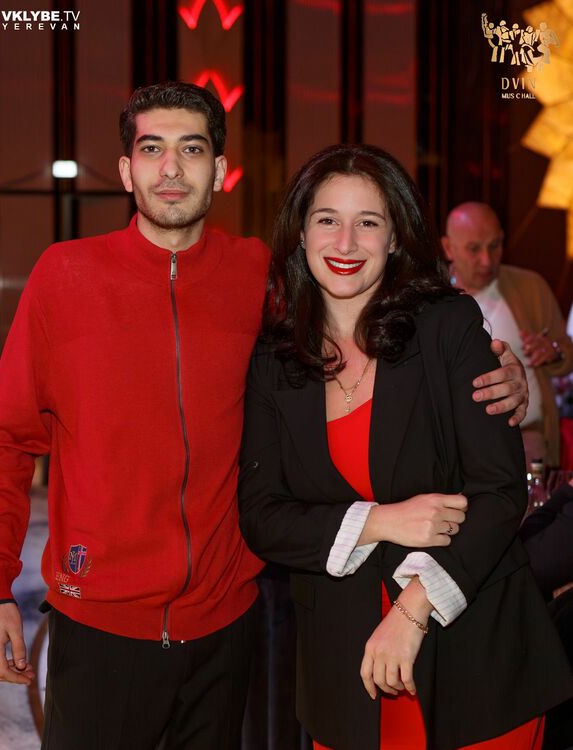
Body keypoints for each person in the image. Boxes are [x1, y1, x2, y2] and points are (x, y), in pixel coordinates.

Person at [0, 84, 528, 749]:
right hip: (99, 625)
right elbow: (4, 443)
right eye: (152, 148)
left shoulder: (260, 279)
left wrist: (501, 374)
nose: (171, 169)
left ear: (219, 170)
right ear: (125, 169)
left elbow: (364, 331)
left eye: (191, 149)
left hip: (226, 629)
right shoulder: (64, 276)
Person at [238, 144, 573, 750]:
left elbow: (499, 491)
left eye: (368, 222)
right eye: (327, 219)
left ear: (394, 238)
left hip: (474, 655)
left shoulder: (448, 327)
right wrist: (380, 521)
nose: (346, 242)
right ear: (301, 232)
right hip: (343, 669)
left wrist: (414, 607)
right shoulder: (273, 360)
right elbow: (263, 516)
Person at [442, 202, 573, 467]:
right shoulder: (433, 298)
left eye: (495, 245)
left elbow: (566, 353)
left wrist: (553, 351)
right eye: (474, 249)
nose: (487, 260)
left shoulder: (530, 287)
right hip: (455, 449)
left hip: (526, 441)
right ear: (448, 248)